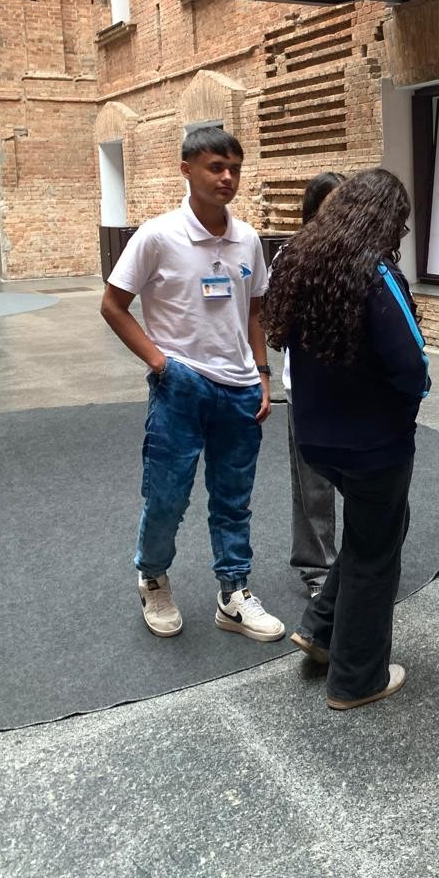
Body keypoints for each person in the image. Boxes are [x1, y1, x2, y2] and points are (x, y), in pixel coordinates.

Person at [101, 126, 284, 644]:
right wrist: (161, 363)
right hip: (180, 387)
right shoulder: (158, 235)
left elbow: (254, 311)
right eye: (215, 167)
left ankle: (233, 592)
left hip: (240, 389)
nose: (227, 178)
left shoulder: (247, 239)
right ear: (187, 170)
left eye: (234, 169)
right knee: (166, 497)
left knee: (233, 500)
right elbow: (113, 306)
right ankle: (153, 578)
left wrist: (262, 373)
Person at [263, 168, 430, 711]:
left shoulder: (302, 262)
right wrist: (413, 397)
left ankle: (319, 629)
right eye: (400, 220)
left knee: (373, 531)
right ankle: (357, 679)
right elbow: (411, 361)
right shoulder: (376, 272)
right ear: (382, 218)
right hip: (374, 444)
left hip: (318, 439)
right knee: (375, 553)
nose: (401, 232)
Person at [283, 171, 345, 598]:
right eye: (330, 206)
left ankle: (358, 561)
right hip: (307, 390)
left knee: (360, 480)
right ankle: (318, 567)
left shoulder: (364, 256)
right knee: (311, 484)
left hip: (356, 392)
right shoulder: (291, 257)